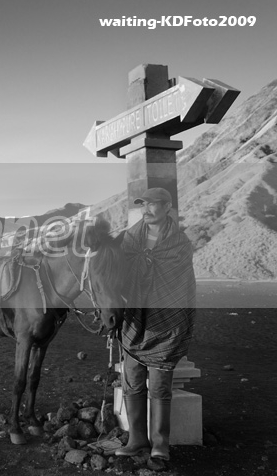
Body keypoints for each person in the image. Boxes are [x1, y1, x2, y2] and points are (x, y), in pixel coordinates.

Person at [115, 187, 197, 461]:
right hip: (134, 321)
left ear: (167, 207)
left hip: (165, 321)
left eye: (152, 204)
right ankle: (136, 440)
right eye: (143, 205)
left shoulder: (179, 243)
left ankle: (160, 444)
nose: (146, 209)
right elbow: (116, 276)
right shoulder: (129, 240)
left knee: (160, 385)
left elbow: (183, 286)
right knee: (132, 381)